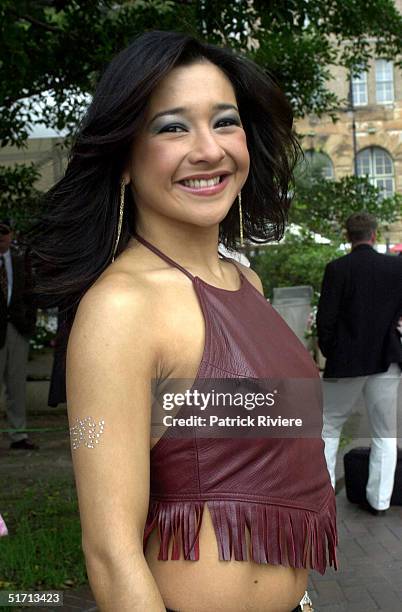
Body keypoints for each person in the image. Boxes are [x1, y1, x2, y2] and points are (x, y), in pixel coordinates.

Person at [28, 31, 336, 612]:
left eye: (225, 122)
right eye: (173, 127)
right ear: (122, 156)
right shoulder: (123, 308)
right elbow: (111, 554)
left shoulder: (245, 281)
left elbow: (243, 452)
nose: (209, 149)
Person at [317, 212, 402, 515]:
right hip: (385, 358)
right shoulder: (396, 267)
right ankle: (379, 500)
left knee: (328, 428)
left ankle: (324, 497)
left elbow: (325, 321)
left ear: (348, 236)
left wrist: (333, 351)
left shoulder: (337, 269)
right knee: (385, 433)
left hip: (347, 361)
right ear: (375, 235)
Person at [0, 218, 38, 450]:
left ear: (11, 234)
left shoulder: (19, 261)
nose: (1, 237)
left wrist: (29, 324)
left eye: (4, 232)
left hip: (17, 330)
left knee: (16, 386)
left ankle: (18, 434)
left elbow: (31, 294)